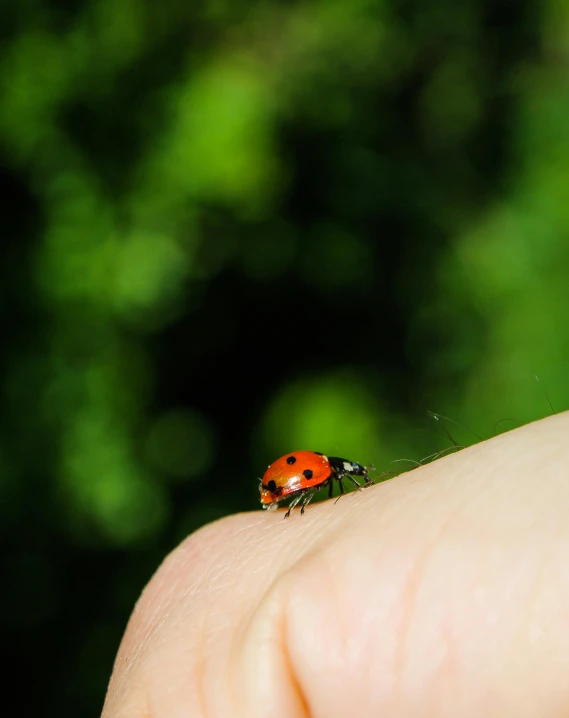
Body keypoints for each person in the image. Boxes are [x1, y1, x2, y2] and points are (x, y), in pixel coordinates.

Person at [102, 412, 569, 717]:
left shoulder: (320, 469)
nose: (349, 476)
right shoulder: (319, 470)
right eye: (349, 472)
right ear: (338, 470)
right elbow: (313, 484)